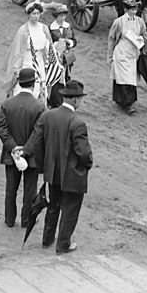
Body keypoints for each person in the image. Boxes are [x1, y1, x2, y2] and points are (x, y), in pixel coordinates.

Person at [24, 80, 93, 254]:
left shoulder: (48, 116)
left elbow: (34, 140)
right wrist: (87, 165)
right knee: (70, 210)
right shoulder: (78, 123)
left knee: (53, 206)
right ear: (76, 100)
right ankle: (63, 244)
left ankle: (47, 239)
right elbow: (83, 153)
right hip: (71, 174)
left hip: (52, 172)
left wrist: (24, 153)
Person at [0, 68, 46, 228]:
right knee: (30, 190)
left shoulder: (7, 104)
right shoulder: (39, 107)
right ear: (33, 84)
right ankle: (26, 220)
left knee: (11, 188)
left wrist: (14, 149)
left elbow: (1, 128)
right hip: (31, 156)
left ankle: (9, 219)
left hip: (11, 154)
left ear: (19, 83)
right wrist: (25, 151)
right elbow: (38, 133)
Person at [4, 1, 55, 100]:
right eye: (33, 14)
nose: (36, 16)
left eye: (38, 13)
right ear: (29, 15)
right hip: (27, 60)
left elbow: (49, 46)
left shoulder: (44, 28)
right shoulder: (23, 30)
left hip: (39, 60)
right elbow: (17, 50)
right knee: (24, 82)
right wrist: (16, 68)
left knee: (40, 84)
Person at [107, 0, 147, 114]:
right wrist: (110, 55)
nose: (133, 11)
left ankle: (126, 101)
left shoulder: (140, 22)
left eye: (135, 9)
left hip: (133, 53)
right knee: (122, 77)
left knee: (131, 78)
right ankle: (126, 103)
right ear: (125, 9)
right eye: (131, 9)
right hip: (121, 52)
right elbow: (111, 38)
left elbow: (145, 35)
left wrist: (140, 39)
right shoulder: (119, 22)